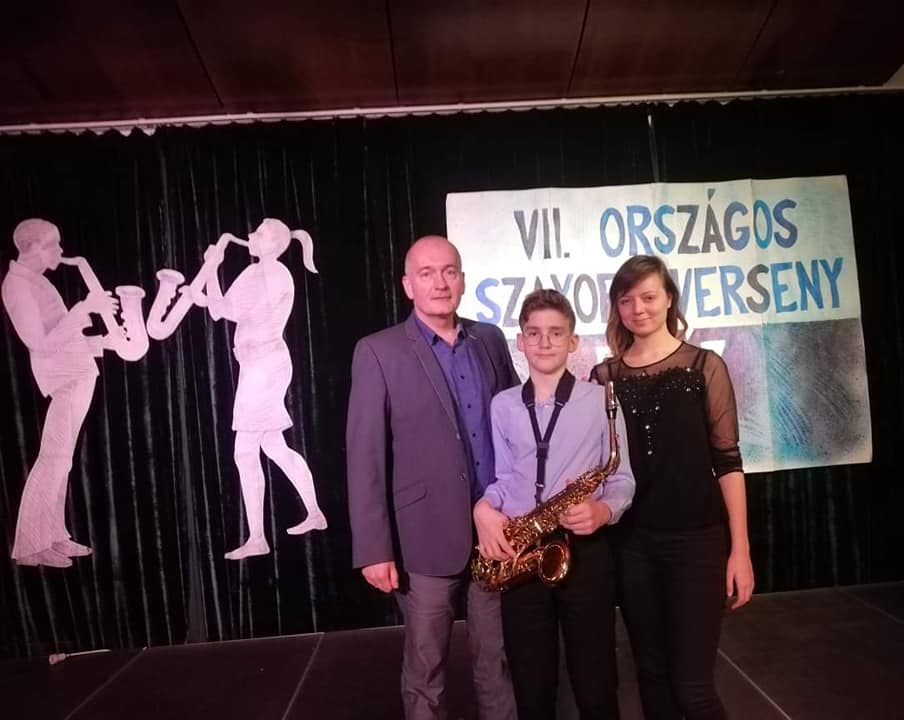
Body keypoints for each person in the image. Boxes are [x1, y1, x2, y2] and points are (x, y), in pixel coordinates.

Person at [346, 235, 519, 720]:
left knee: (498, 664)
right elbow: (364, 456)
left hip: (496, 533)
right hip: (421, 540)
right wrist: (374, 548)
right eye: (427, 273)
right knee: (426, 672)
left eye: (449, 271)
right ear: (408, 285)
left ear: (462, 280)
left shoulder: (489, 339)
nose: (440, 283)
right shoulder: (377, 351)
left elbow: (514, 428)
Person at [590, 255, 755, 720]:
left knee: (693, 689)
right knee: (652, 677)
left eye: (648, 296)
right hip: (631, 546)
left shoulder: (704, 366)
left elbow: (728, 463)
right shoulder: (604, 378)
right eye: (626, 300)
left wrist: (740, 551)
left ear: (669, 299)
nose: (638, 308)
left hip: (697, 543)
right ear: (616, 308)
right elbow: (599, 464)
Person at [474, 289, 635, 719]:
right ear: (520, 341)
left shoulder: (601, 400)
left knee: (596, 685)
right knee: (532, 689)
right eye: (534, 333)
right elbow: (504, 478)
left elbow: (621, 478)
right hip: (523, 552)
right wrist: (484, 508)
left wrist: (603, 511)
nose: (545, 342)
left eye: (556, 332)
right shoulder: (503, 405)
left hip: (585, 550)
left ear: (573, 341)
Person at [193, 218, 327, 560]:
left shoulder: (276, 274)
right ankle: (311, 514)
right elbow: (219, 309)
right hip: (256, 367)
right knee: (273, 446)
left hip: (265, 367)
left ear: (274, 244)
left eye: (260, 234)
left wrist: (213, 270)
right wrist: (212, 269)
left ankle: (258, 537)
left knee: (245, 451)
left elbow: (230, 311)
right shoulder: (255, 272)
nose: (251, 236)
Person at [1, 219, 117, 567]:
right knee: (53, 459)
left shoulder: (36, 281)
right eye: (54, 244)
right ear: (35, 247)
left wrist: (102, 343)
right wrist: (83, 310)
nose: (61, 251)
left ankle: (52, 535)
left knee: (61, 460)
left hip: (75, 373)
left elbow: (60, 337)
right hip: (64, 379)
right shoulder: (18, 285)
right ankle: (29, 547)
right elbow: (39, 344)